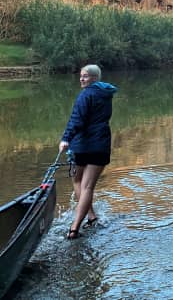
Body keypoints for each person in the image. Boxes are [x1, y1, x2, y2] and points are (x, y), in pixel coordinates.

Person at [58, 64, 118, 239]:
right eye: (81, 76)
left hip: (83, 146)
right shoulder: (106, 94)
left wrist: (65, 139)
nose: (81, 79)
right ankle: (91, 216)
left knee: (83, 185)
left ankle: (74, 228)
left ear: (94, 78)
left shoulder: (86, 94)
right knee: (83, 184)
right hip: (100, 146)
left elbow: (77, 119)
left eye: (85, 76)